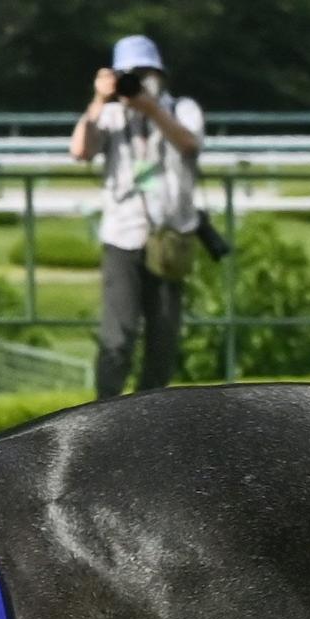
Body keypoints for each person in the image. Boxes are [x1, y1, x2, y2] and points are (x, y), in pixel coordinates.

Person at [69, 34, 204, 398]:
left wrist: (152, 111)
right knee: (118, 333)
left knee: (164, 335)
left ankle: (151, 414)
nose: (137, 82)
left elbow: (190, 144)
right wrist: (99, 99)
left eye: (143, 74)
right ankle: (105, 411)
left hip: (169, 236)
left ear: (159, 74)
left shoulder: (181, 109)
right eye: (128, 75)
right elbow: (80, 150)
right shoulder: (110, 116)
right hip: (122, 233)